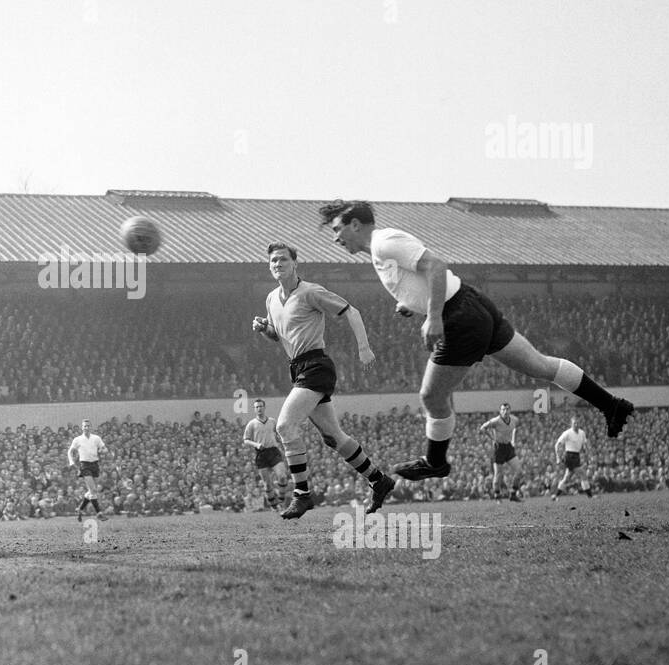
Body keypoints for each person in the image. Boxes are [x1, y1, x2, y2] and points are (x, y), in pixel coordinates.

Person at [319, 200, 634, 481]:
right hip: (471, 303)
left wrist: (435, 316)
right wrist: (413, 305)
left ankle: (436, 462)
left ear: (355, 224)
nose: (336, 237)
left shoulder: (384, 242)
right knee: (540, 365)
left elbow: (436, 266)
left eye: (337, 229)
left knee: (431, 396)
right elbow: (422, 279)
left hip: (459, 317)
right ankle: (612, 405)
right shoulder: (381, 249)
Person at [253, 242, 396, 518]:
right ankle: (379, 480)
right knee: (333, 437)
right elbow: (277, 335)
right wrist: (264, 329)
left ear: (295, 263)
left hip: (316, 365)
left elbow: (351, 311)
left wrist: (364, 348)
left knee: (284, 425)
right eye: (273, 261)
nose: (277, 264)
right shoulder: (271, 299)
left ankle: (302, 495)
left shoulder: (310, 292)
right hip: (297, 367)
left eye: (283, 259)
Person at [242, 398, 289, 511]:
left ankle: (281, 500)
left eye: (261, 406)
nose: (259, 409)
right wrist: (256, 445)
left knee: (282, 476)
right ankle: (274, 506)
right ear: (254, 409)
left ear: (264, 407)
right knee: (267, 484)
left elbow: (279, 433)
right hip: (261, 454)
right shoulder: (251, 424)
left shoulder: (272, 421)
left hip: (273, 451)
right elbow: (246, 440)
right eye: (257, 407)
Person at [478, 403, 523, 502]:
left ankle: (513, 494)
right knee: (498, 474)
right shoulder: (496, 421)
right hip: (499, 449)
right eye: (503, 410)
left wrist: (513, 440)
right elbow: (482, 428)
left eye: (507, 409)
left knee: (519, 471)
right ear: (500, 411)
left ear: (510, 410)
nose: (505, 411)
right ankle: (497, 496)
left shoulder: (514, 419)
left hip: (509, 447)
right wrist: (492, 438)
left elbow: (516, 428)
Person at [67, 420, 108, 519]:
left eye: (88, 426)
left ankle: (80, 509)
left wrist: (103, 451)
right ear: (82, 427)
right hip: (84, 465)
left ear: (91, 427)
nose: (86, 428)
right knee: (93, 490)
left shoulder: (96, 438)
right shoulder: (78, 439)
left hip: (95, 464)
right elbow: (70, 451)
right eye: (85, 426)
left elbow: (105, 448)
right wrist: (71, 462)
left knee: (91, 491)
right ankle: (99, 513)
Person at [552, 415, 594, 499]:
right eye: (575, 423)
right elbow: (557, 444)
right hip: (569, 456)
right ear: (571, 424)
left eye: (578, 423)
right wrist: (558, 457)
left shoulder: (582, 433)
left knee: (567, 477)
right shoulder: (567, 433)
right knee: (582, 473)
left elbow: (585, 444)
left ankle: (556, 495)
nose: (576, 424)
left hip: (577, 456)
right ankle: (590, 495)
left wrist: (589, 454)